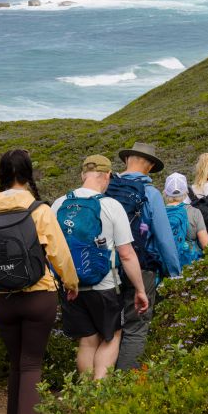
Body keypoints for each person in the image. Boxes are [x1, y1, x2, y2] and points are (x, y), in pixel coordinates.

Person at [0, 149, 79, 414]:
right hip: (38, 297)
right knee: (31, 365)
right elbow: (60, 253)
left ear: (2, 175)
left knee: (16, 365)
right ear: (27, 174)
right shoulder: (38, 210)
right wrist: (71, 283)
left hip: (2, 299)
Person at [51, 155, 149, 379]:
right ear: (106, 176)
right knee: (111, 337)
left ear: (83, 175)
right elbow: (126, 254)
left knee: (86, 342)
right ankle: (97, 393)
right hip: (105, 286)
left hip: (71, 286)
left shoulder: (58, 204)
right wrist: (140, 290)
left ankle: (84, 395)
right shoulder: (110, 205)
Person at [111, 142, 180, 371]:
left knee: (109, 328)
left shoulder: (107, 188)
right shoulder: (150, 193)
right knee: (135, 328)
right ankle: (124, 388)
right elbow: (163, 238)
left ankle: (96, 388)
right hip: (141, 268)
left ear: (126, 160)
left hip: (106, 270)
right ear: (149, 166)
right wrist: (176, 273)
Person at [163, 172, 208, 268]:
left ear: (165, 192)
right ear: (186, 192)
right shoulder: (194, 212)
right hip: (191, 266)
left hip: (167, 266)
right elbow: (205, 244)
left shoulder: (159, 213)